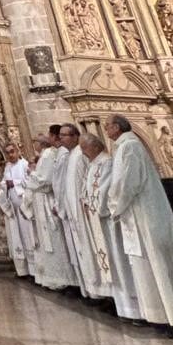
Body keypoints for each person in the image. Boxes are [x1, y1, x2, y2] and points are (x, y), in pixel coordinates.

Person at [105, 115, 173, 329]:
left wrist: (113, 206)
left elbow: (127, 183)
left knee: (159, 264)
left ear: (117, 127)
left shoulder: (129, 147)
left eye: (107, 126)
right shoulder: (125, 147)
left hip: (144, 213)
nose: (105, 131)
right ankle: (159, 315)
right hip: (137, 212)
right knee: (147, 266)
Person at [80, 134, 140, 321]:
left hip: (106, 218)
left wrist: (97, 206)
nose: (82, 151)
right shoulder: (92, 165)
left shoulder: (107, 162)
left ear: (96, 147)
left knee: (117, 259)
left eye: (85, 147)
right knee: (109, 260)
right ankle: (120, 305)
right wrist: (86, 200)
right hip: (97, 217)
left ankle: (132, 307)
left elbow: (107, 188)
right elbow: (87, 188)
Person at [56, 123, 110, 300]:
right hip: (77, 211)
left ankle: (102, 292)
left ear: (74, 136)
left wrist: (87, 202)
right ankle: (92, 291)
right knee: (83, 251)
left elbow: (91, 179)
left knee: (93, 250)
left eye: (63, 135)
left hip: (87, 211)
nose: (60, 138)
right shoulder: (71, 155)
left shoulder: (81, 155)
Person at [20, 133, 78, 292]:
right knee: (48, 242)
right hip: (41, 203)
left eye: (35, 142)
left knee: (54, 240)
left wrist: (31, 172)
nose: (34, 145)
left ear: (41, 143)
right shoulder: (47, 155)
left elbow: (44, 180)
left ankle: (62, 280)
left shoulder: (47, 156)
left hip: (47, 203)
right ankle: (53, 279)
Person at [0, 142, 33, 277]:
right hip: (13, 210)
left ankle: (34, 271)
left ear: (18, 151)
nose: (10, 155)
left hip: (25, 209)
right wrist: (4, 187)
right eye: (7, 153)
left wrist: (14, 183)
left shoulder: (25, 165)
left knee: (29, 238)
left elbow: (31, 182)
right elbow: (4, 183)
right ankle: (22, 270)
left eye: (12, 152)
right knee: (17, 239)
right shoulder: (7, 167)